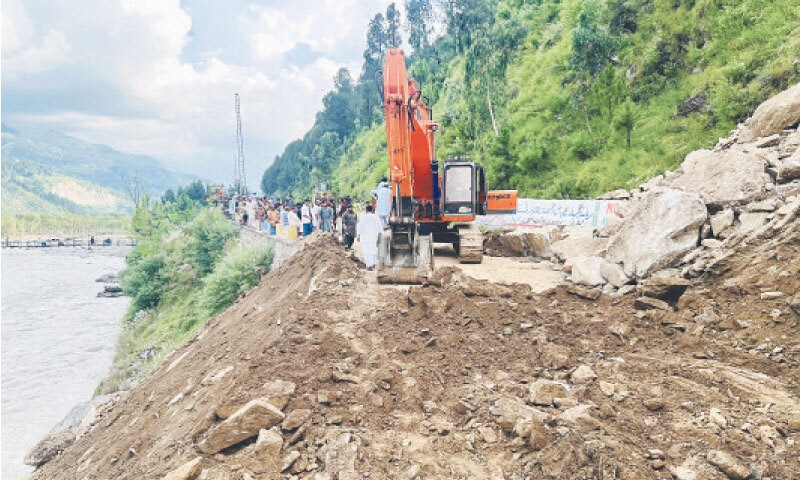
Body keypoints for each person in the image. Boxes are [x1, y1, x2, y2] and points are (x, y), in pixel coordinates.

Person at [357, 205, 383, 270]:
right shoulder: (376, 216)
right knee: (374, 248)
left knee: (366, 250)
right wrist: (380, 233)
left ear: (366, 210)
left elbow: (360, 226)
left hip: (366, 236)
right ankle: (373, 263)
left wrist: (358, 235)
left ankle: (369, 265)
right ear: (372, 210)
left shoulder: (364, 217)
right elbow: (379, 225)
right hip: (374, 235)